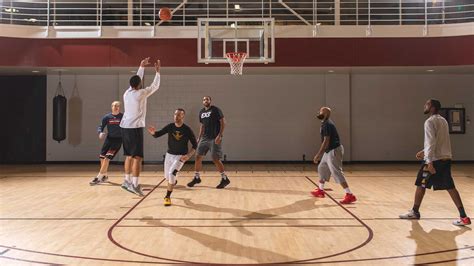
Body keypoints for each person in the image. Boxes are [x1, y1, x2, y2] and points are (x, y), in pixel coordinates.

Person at [399, 99, 470, 226]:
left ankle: (415, 212)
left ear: (431, 107)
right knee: (450, 187)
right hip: (445, 159)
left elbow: (431, 141)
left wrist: (429, 161)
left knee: (420, 184)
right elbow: (439, 141)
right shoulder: (443, 121)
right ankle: (464, 216)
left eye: (426, 104)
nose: (424, 106)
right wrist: (424, 150)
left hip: (434, 160)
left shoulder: (429, 121)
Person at [119, 58, 161, 196]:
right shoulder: (141, 93)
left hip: (124, 127)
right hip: (134, 128)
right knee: (137, 157)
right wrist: (158, 72)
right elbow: (154, 86)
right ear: (139, 84)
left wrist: (141, 67)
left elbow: (137, 80)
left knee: (128, 156)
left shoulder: (127, 93)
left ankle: (127, 181)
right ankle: (135, 185)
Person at [147, 108, 197, 206]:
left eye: (178, 115)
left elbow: (195, 145)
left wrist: (188, 155)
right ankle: (173, 181)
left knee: (171, 174)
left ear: (183, 116)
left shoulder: (187, 129)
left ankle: (167, 197)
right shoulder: (170, 126)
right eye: (175, 114)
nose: (176, 116)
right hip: (169, 155)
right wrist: (153, 133)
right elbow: (157, 134)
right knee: (167, 177)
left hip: (181, 157)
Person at [310, 107, 356, 204]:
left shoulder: (327, 124)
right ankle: (320, 191)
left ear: (326, 114)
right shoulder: (324, 123)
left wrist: (318, 154)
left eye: (321, 111)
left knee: (336, 172)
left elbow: (326, 141)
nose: (319, 112)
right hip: (328, 150)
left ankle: (349, 195)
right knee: (322, 168)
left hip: (334, 150)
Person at [187, 96, 230, 189]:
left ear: (210, 101)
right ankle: (196, 177)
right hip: (204, 138)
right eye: (204, 99)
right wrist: (199, 138)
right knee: (198, 157)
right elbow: (202, 126)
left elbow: (223, 122)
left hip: (214, 138)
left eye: (207, 99)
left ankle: (224, 178)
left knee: (215, 159)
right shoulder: (201, 112)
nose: (205, 100)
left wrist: (220, 135)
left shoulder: (215, 110)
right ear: (202, 101)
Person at [90, 101, 123, 185]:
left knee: (107, 158)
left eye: (117, 106)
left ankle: (98, 177)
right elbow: (100, 126)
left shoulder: (123, 117)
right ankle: (105, 176)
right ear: (111, 107)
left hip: (118, 140)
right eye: (114, 106)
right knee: (102, 157)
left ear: (119, 107)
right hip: (109, 139)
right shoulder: (107, 117)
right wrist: (100, 132)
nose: (116, 107)